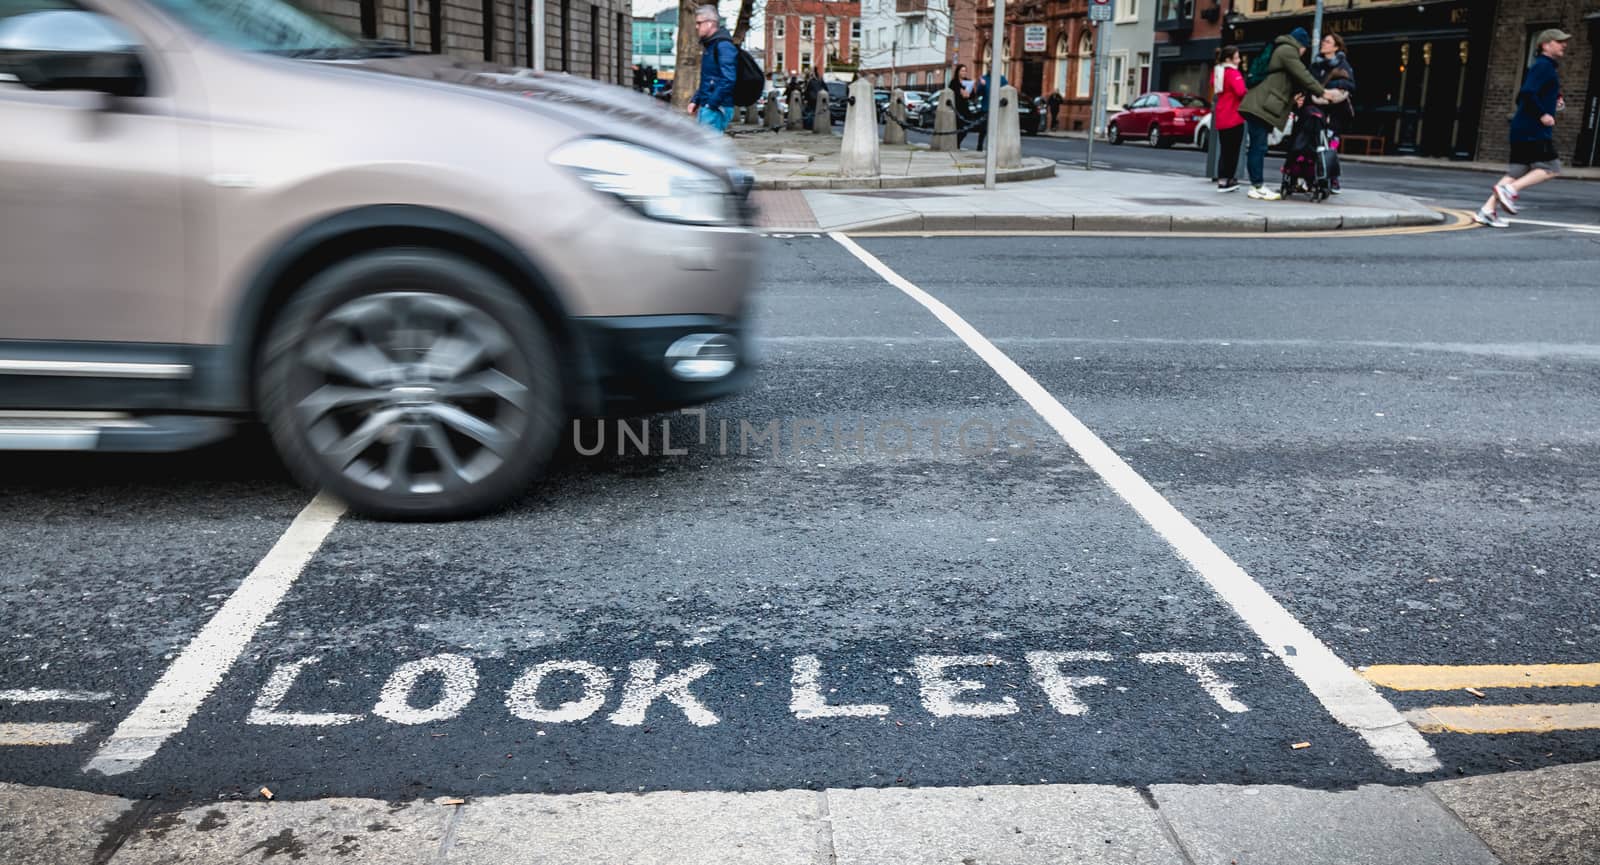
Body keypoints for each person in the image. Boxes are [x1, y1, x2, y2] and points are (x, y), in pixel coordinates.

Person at [1476, 29, 1571, 228]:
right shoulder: (1544, 66)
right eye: (1559, 41)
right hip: (1532, 129)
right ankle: (1510, 190)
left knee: (1518, 169)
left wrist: (1554, 102)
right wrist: (1543, 114)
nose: (1564, 45)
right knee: (1551, 168)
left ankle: (1487, 210)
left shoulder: (1543, 67)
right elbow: (1526, 94)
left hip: (1523, 128)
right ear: (1545, 45)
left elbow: (1532, 93)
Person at [1237, 27, 1343, 201]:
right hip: (1259, 105)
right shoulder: (1287, 50)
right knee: (1258, 146)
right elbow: (1302, 75)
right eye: (1305, 49)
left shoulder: (1283, 49)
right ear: (1301, 45)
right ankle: (1257, 186)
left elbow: (1284, 84)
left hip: (1261, 104)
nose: (1303, 53)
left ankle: (1257, 185)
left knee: (1258, 145)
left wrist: (1294, 101)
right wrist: (1322, 92)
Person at [1310, 32, 1356, 193]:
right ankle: (1314, 177)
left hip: (1336, 112)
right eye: (1323, 41)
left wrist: (1326, 86)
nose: (1323, 43)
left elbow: (1349, 84)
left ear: (1336, 47)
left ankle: (1332, 178)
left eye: (1328, 42)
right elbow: (1309, 82)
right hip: (1317, 109)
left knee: (1331, 145)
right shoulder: (1316, 64)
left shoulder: (1343, 64)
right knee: (1315, 144)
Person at [686, 5, 737, 133]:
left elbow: (729, 79)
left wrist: (711, 104)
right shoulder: (711, 45)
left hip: (716, 107)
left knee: (707, 148)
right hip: (710, 105)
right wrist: (696, 100)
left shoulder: (723, 46)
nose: (697, 26)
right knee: (704, 147)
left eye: (699, 23)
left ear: (710, 23)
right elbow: (708, 79)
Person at [1212, 45, 1248, 192]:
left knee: (1224, 150)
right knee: (1233, 151)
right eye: (1237, 57)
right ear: (1229, 59)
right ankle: (1229, 180)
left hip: (1221, 115)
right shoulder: (1233, 73)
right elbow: (1241, 91)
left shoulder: (1218, 72)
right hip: (1234, 116)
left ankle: (1221, 180)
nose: (1239, 60)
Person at [949, 63, 974, 148]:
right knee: (957, 127)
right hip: (956, 108)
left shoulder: (968, 81)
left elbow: (973, 95)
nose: (964, 72)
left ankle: (957, 143)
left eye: (965, 71)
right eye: (962, 70)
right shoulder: (954, 82)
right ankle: (956, 145)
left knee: (966, 129)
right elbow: (951, 93)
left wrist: (968, 95)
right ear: (958, 72)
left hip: (965, 108)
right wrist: (960, 94)